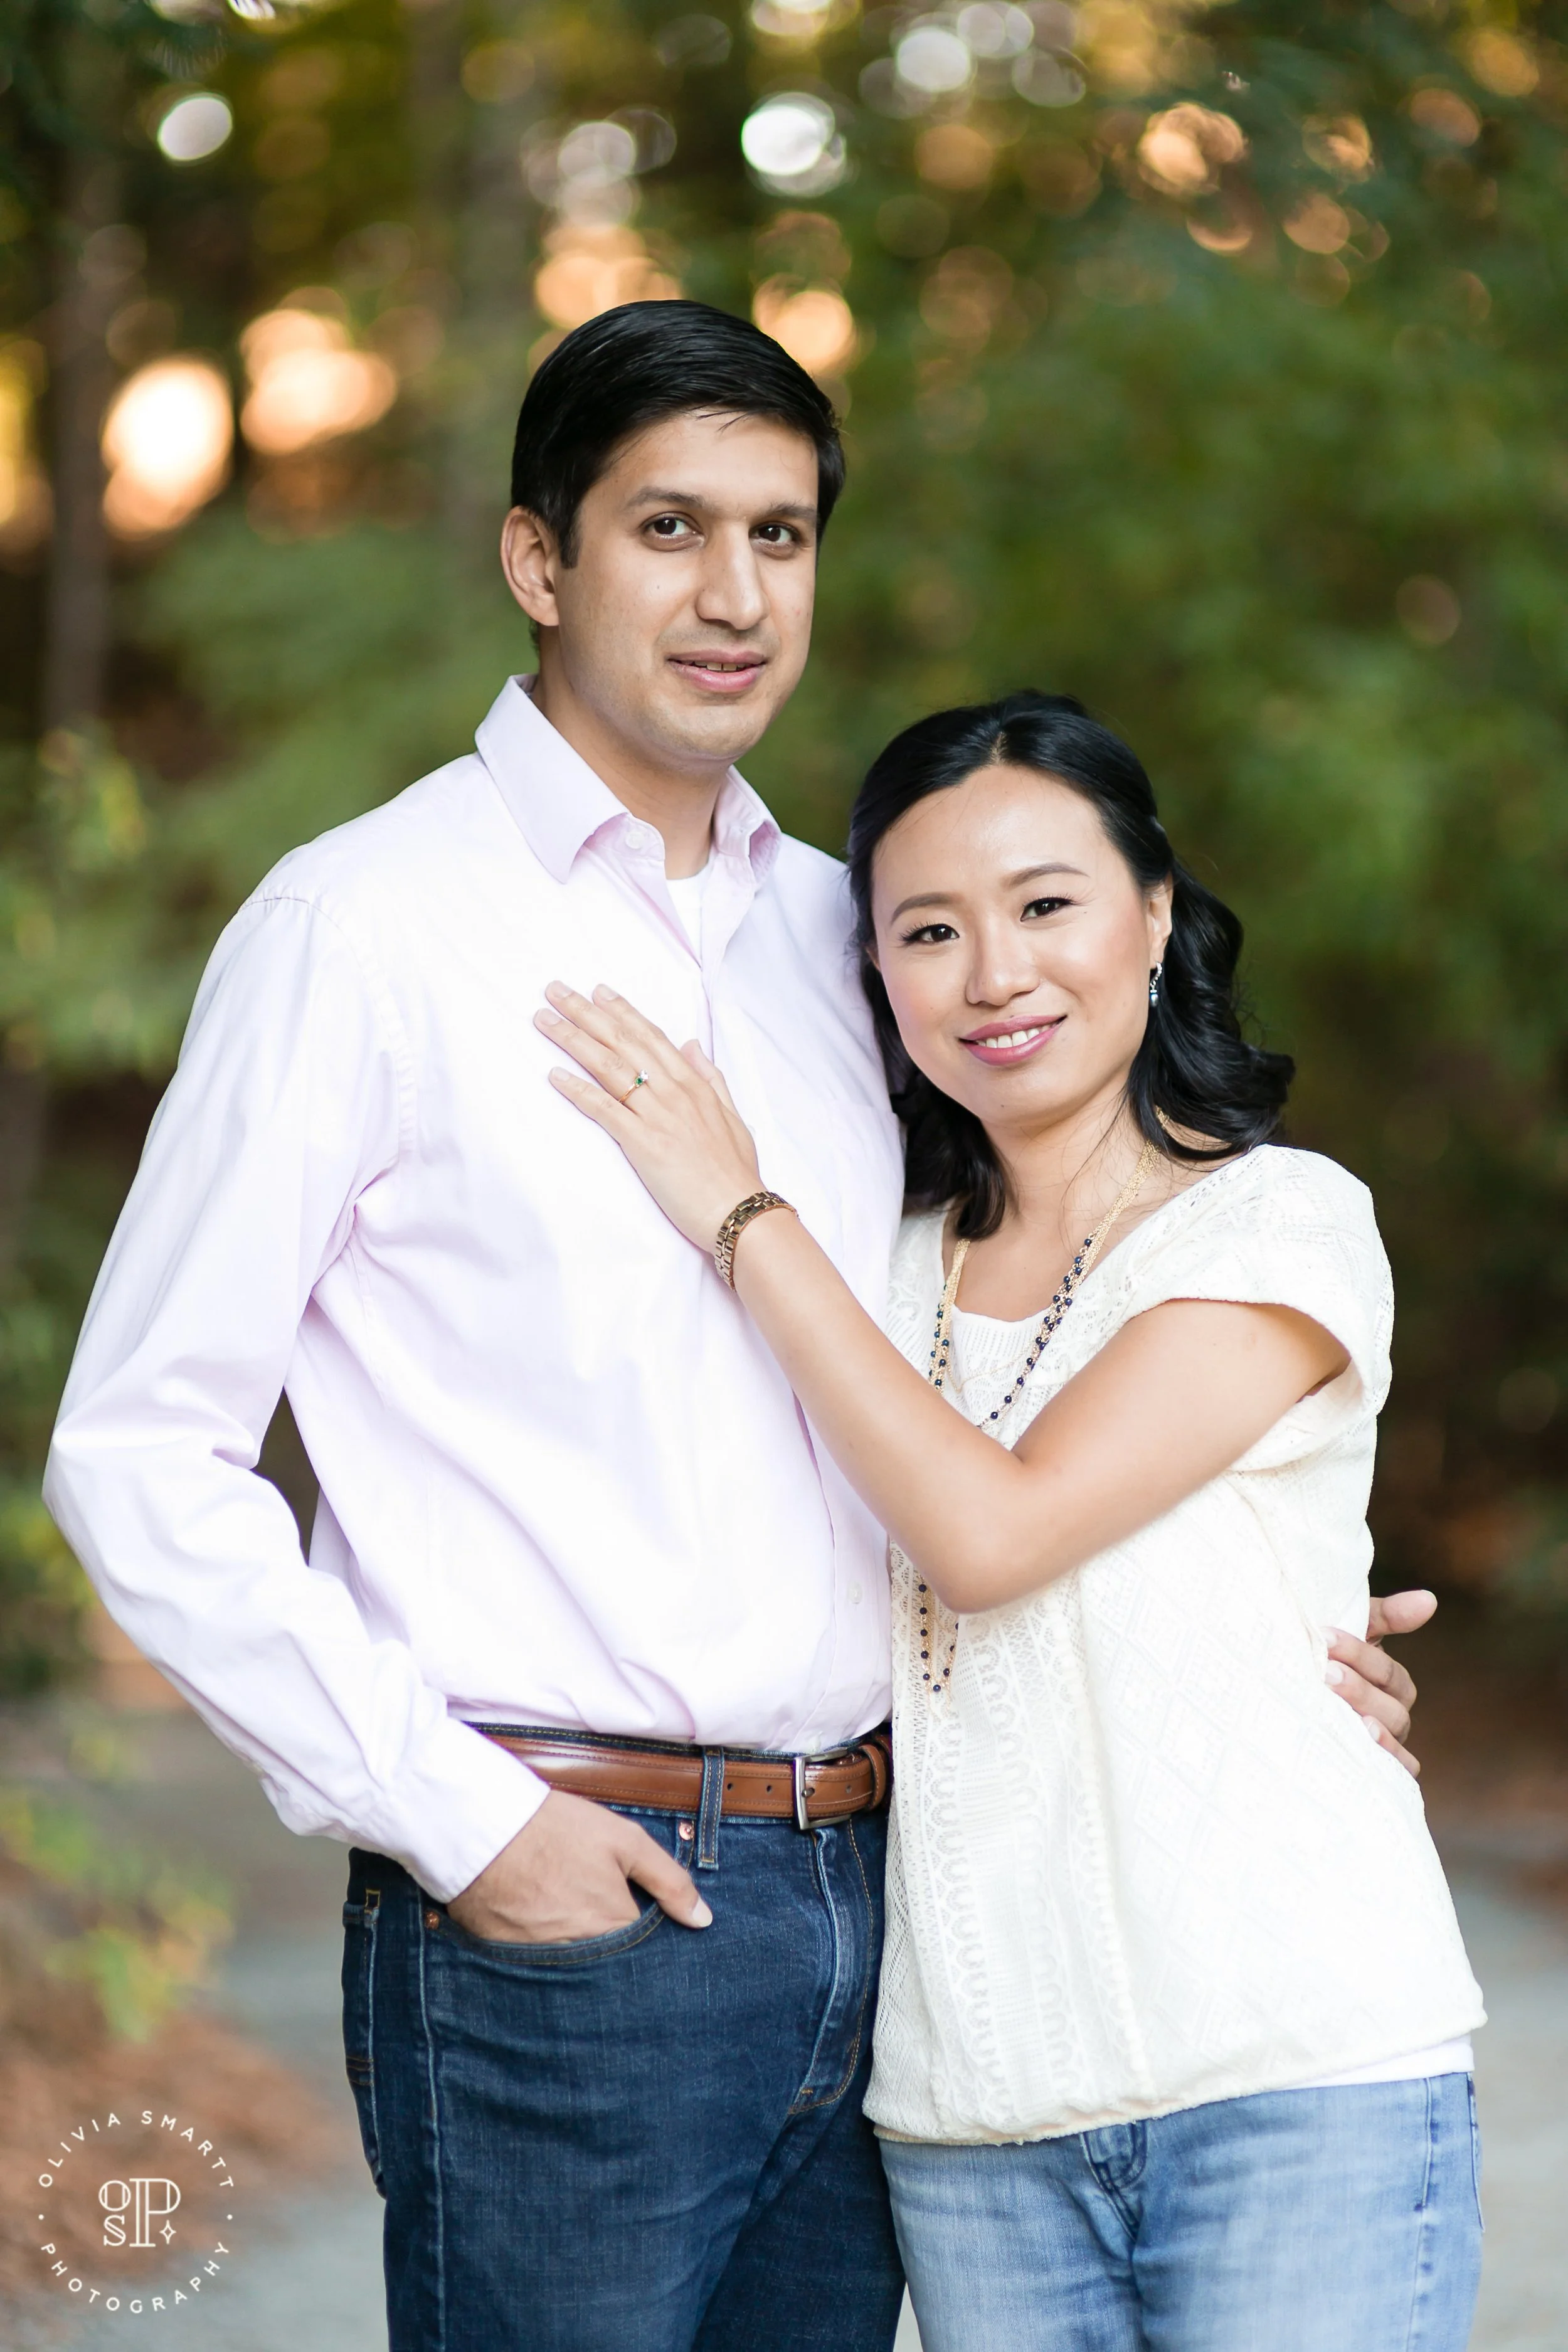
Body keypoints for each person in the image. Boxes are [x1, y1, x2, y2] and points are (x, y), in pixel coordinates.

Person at [45, 305, 1433, 2352]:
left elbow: (1006, 1348)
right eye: (669, 527)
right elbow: (137, 1452)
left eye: (779, 536)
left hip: (891, 1917)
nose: (731, 595)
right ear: (540, 560)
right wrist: (465, 1819)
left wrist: (1254, 1624)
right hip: (562, 1901)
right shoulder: (366, 929)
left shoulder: (854, 938)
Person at [539, 688, 1486, 2352]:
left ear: (1154, 914)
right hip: (975, 2119)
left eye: (1045, 903)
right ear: (878, 974)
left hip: (1293, 2078)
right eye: (927, 928)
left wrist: (733, 1205)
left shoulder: (1276, 1222)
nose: (994, 972)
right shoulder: (874, 1261)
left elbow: (993, 1531)